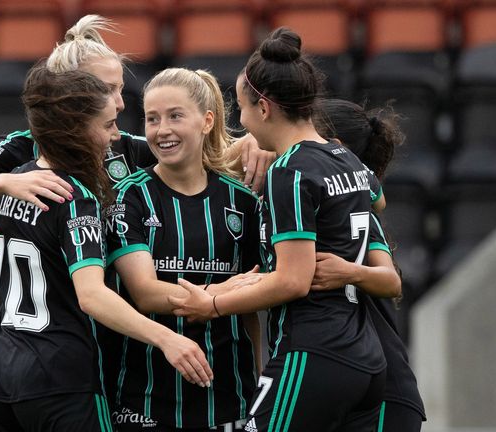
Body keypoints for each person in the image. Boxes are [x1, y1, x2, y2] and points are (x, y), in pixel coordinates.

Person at [0, 66, 213, 432]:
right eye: (108, 125)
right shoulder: (75, 198)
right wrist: (167, 338)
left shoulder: (9, 185)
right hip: (61, 382)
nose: (115, 136)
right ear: (75, 130)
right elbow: (92, 297)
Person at [168, 28, 387, 431]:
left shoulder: (289, 170)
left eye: (242, 108)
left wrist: (211, 305)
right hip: (364, 355)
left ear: (264, 108)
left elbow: (293, 282)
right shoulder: (345, 158)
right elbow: (377, 199)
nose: (241, 119)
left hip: (314, 351)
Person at [0, 14, 274, 217]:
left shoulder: (124, 148)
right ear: (69, 92)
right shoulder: (20, 149)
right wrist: (5, 182)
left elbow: (207, 158)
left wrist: (253, 144)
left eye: (120, 89)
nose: (120, 104)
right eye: (108, 90)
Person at [104, 68, 262, 431]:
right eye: (152, 119)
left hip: (230, 396)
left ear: (207, 121)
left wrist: (257, 378)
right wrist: (218, 294)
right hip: (145, 399)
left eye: (175, 116)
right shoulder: (129, 195)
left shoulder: (241, 201)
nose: (162, 130)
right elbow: (144, 293)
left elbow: (252, 303)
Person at [313, 98, 426, 431]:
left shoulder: (355, 211)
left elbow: (391, 281)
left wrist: (348, 272)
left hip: (384, 393)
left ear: (337, 149)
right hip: (347, 387)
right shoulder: (305, 196)